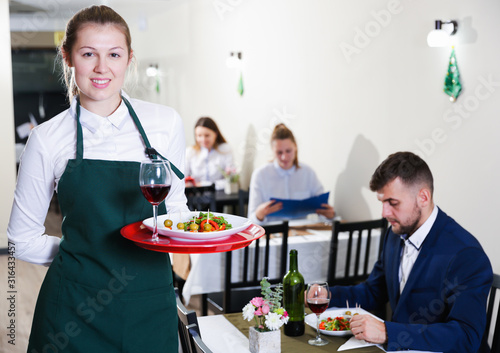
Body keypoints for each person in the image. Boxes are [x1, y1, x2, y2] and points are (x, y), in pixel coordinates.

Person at [7, 6, 189, 352]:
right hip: (74, 308)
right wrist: (82, 253)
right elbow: (21, 238)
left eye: (114, 54)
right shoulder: (48, 138)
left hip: (149, 302)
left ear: (129, 59)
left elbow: (176, 208)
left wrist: (199, 237)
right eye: (88, 53)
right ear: (68, 57)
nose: (102, 67)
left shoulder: (165, 124)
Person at [327, 151, 493, 353]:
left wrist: (388, 332)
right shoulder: (395, 234)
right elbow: (373, 291)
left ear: (423, 197)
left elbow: (466, 336)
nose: (384, 213)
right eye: (382, 202)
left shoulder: (466, 255)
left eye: (393, 203)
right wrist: (325, 294)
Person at [247, 123, 334, 224]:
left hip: (303, 232)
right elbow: (251, 220)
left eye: (288, 151)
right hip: (272, 233)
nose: (284, 157)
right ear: (272, 150)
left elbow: (325, 211)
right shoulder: (260, 175)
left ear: (295, 147)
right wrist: (259, 214)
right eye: (279, 152)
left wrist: (329, 215)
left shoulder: (308, 173)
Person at [185, 116, 235, 190]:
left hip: (220, 197)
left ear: (215, 134)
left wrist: (204, 184)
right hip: (196, 196)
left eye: (207, 135)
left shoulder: (225, 149)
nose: (203, 139)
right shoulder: (190, 152)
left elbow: (231, 181)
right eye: (199, 136)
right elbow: (183, 179)